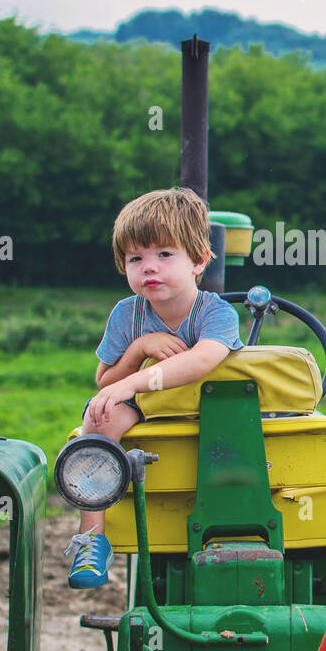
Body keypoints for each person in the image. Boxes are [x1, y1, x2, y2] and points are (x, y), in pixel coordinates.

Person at [65, 187, 244, 588]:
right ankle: (91, 538)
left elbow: (200, 361)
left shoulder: (216, 314)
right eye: (135, 258)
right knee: (100, 417)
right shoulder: (127, 314)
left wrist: (132, 378)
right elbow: (106, 382)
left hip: (206, 407)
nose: (149, 267)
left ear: (199, 260)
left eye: (164, 255)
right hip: (145, 404)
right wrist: (138, 349)